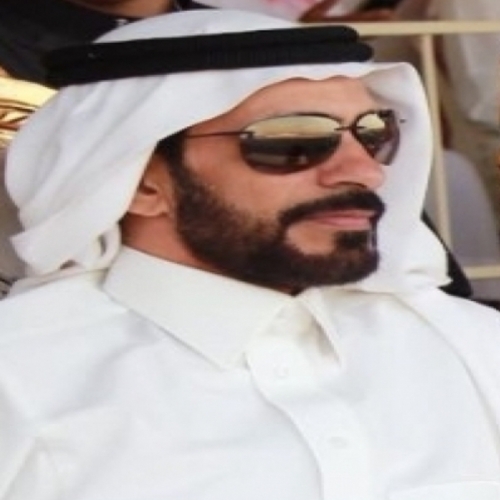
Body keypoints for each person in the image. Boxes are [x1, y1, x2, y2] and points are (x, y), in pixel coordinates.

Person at [3, 9, 500, 498]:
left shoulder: (470, 347)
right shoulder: (21, 378)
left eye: (373, 135)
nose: (364, 172)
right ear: (140, 183)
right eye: (293, 140)